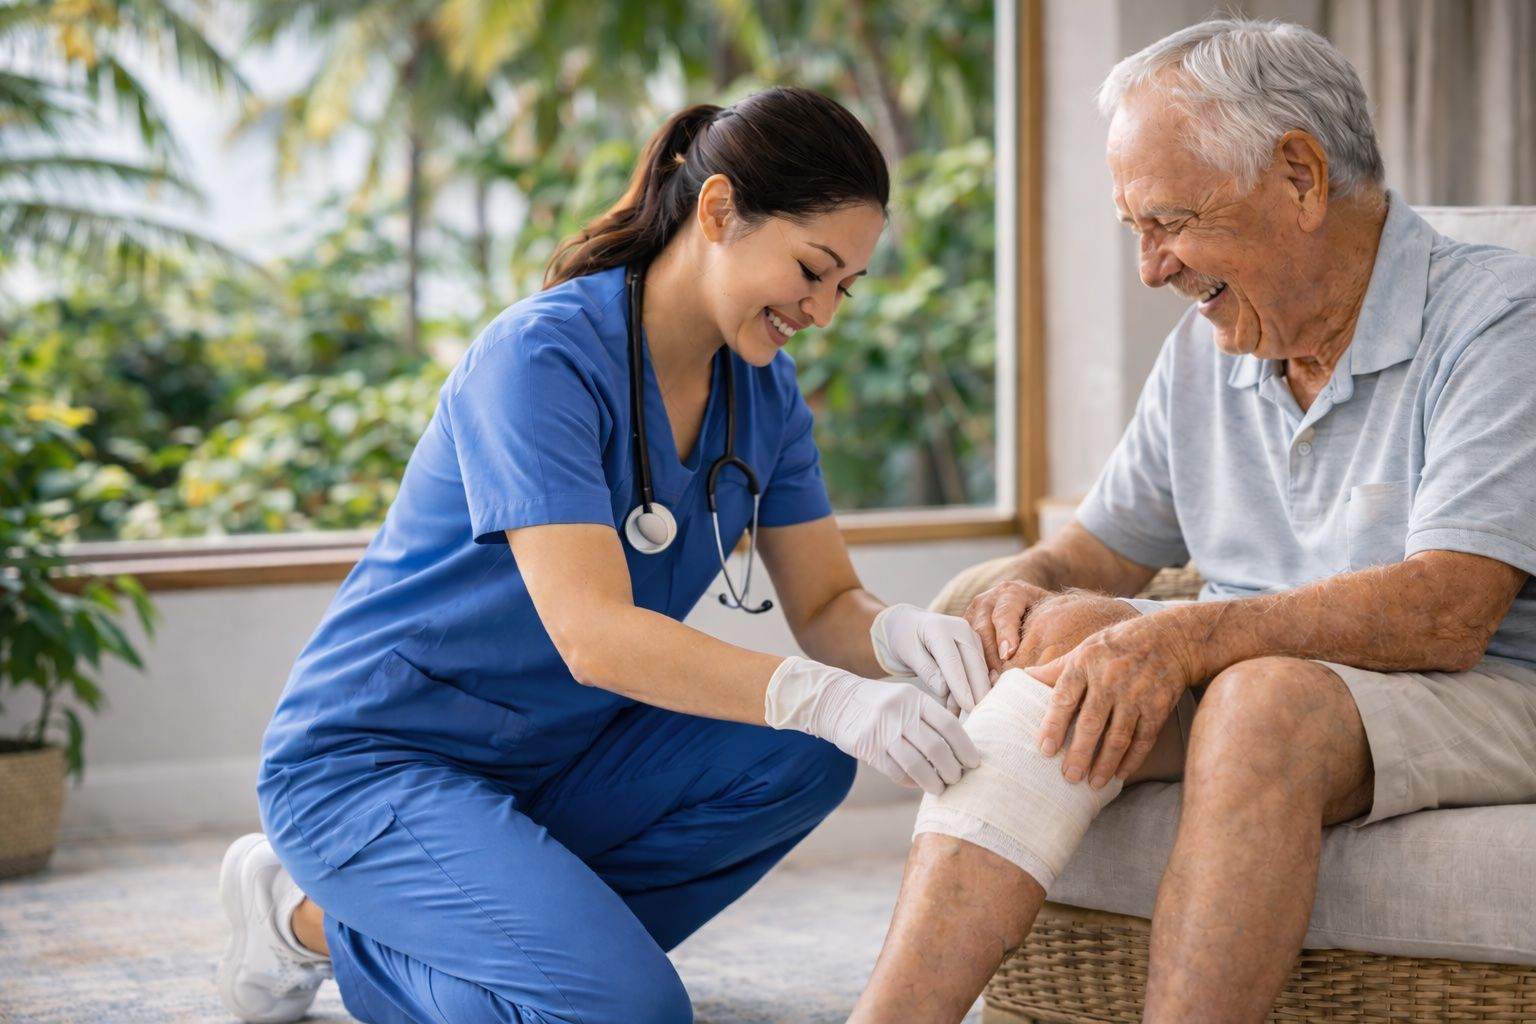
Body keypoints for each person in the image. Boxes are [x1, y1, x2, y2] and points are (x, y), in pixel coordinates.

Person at [215, 85, 994, 1024]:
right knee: (628, 1013)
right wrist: (824, 693)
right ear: (718, 211)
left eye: (844, 286)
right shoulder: (540, 360)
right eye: (812, 269)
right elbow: (594, 636)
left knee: (804, 759)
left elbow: (829, 605)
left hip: (559, 757)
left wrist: (906, 636)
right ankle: (313, 915)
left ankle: (436, 931)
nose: (823, 311)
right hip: (378, 763)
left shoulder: (765, 396)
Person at [849, 18, 1536, 1024]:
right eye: (1136, 229)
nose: (1151, 269)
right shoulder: (1209, 349)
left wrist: (1185, 636)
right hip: (1275, 670)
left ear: (1300, 178)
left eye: (1166, 221)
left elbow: (1450, 609)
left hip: (1490, 685)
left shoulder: (1500, 319)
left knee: (1264, 703)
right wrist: (1029, 581)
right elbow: (1099, 547)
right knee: (1070, 635)